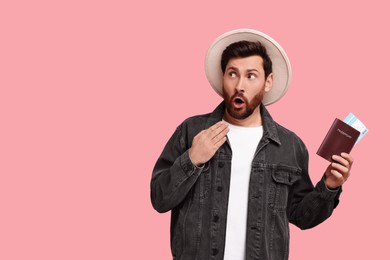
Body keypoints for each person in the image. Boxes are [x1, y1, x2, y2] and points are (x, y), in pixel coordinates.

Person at [150, 29, 353, 260]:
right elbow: (159, 198)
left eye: (251, 76)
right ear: (223, 77)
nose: (240, 86)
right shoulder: (191, 131)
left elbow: (302, 216)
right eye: (232, 74)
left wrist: (330, 186)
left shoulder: (290, 146)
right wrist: (193, 160)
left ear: (268, 82)